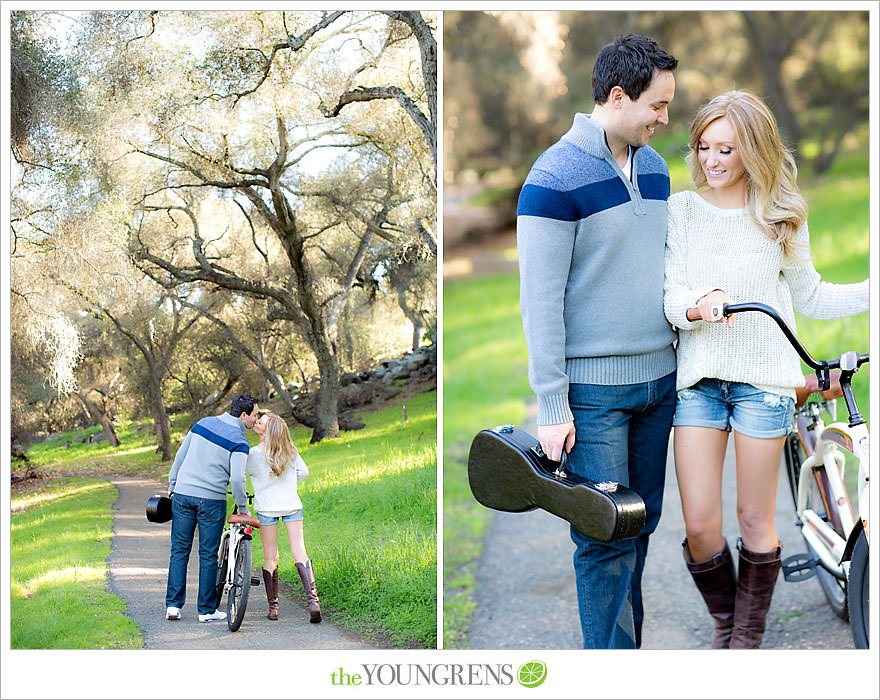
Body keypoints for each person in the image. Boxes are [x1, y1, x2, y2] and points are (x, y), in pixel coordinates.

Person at [663, 90, 869, 648]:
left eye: (726, 148)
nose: (711, 159)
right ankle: (725, 619)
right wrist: (693, 306)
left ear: (753, 148)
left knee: (755, 519)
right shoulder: (680, 210)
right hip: (700, 383)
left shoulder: (780, 216)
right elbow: (669, 294)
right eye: (703, 146)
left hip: (765, 386)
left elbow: (814, 295)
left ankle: (744, 636)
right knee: (701, 526)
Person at [517, 33, 679, 649]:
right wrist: (552, 407)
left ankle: (625, 655)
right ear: (618, 96)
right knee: (604, 538)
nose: (665, 118)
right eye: (657, 106)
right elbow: (539, 304)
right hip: (594, 399)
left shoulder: (658, 169)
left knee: (641, 527)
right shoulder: (553, 178)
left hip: (659, 386)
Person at [164, 393, 258, 622]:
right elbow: (237, 480)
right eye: (255, 415)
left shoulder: (202, 424)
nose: (257, 419)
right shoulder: (239, 441)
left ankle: (173, 606)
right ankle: (205, 611)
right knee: (207, 554)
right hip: (211, 501)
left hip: (183, 495)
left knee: (179, 551)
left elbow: (180, 455)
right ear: (243, 415)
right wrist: (243, 507)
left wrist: (173, 484)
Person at [246, 412, 322, 623]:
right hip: (292, 506)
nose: (258, 421)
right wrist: (288, 486)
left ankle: (273, 608)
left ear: (268, 430)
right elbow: (303, 472)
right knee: (299, 551)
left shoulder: (253, 454)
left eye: (262, 421)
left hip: (267, 510)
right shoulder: (290, 450)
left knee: (271, 556)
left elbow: (241, 473)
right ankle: (313, 603)